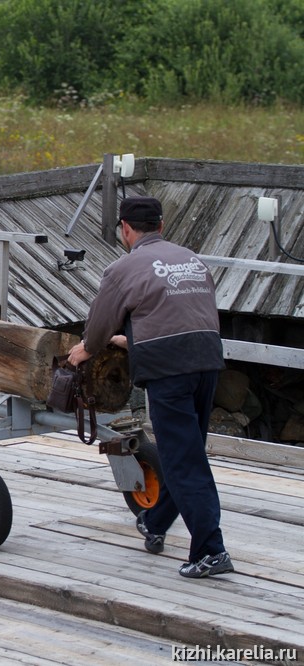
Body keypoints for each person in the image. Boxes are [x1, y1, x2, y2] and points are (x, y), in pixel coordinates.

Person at [67, 196, 233, 579]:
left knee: (183, 460)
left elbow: (99, 323)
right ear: (160, 225)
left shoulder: (122, 268)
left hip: (169, 369)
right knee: (185, 454)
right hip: (207, 360)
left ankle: (211, 550)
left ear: (125, 228)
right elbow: (182, 314)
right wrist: (134, 339)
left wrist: (85, 351)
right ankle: (155, 522)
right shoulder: (191, 259)